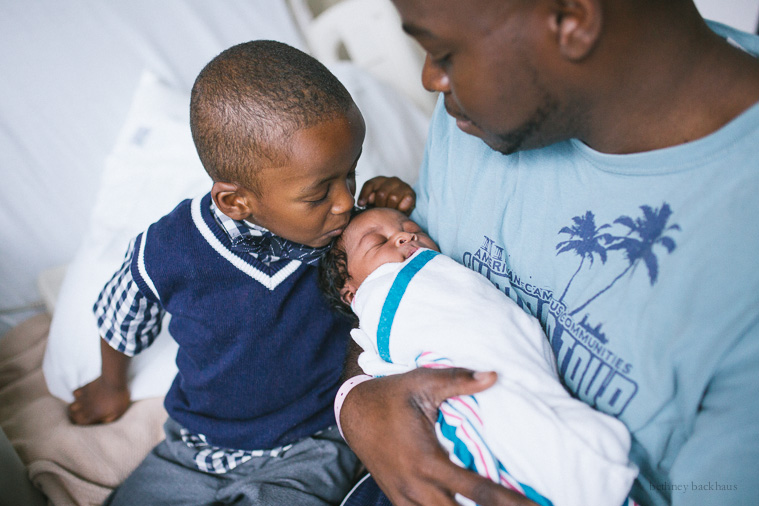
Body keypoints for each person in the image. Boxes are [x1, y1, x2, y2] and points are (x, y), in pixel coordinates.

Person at [335, 1, 759, 506]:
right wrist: (356, 403)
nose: (431, 79)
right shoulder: (481, 119)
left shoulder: (740, 265)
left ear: (570, 19)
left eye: (443, 52)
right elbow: (392, 303)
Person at [66, 40, 416, 505]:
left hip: (313, 442)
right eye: (318, 194)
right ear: (237, 202)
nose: (342, 202)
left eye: (349, 175)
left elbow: (402, 266)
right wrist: (111, 386)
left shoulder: (348, 234)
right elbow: (123, 313)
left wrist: (390, 211)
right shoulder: (171, 248)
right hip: (194, 447)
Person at [319, 207, 638, 506]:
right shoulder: (384, 300)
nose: (407, 237)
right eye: (377, 241)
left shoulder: (443, 272)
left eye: (412, 229)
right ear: (351, 293)